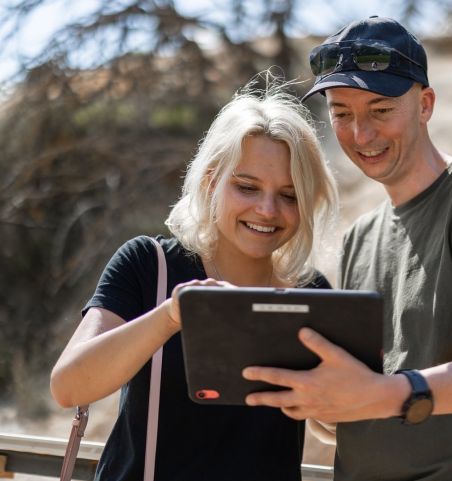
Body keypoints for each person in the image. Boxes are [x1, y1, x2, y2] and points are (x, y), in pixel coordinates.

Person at [242, 16, 452, 481]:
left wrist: (383, 393)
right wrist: (316, 397)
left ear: (425, 104)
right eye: (342, 113)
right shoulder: (360, 236)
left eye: (380, 110)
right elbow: (366, 402)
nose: (360, 134)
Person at [50, 74, 338, 481]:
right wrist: (169, 317)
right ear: (210, 181)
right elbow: (69, 386)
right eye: (247, 187)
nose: (268, 210)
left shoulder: (311, 292)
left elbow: (331, 424)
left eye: (289, 195)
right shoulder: (149, 265)